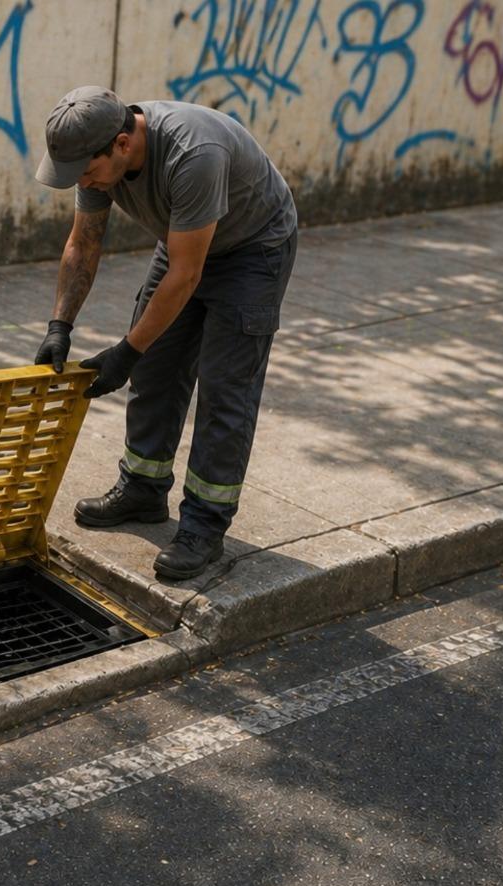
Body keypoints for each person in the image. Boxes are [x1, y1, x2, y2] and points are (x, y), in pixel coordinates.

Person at [32, 86, 297, 581]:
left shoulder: (193, 154)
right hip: (183, 243)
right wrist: (59, 326)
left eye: (86, 172)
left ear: (122, 144)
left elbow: (187, 275)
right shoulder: (96, 156)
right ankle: (143, 488)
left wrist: (126, 351)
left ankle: (204, 525)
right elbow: (84, 241)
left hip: (252, 249)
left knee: (224, 389)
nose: (84, 183)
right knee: (155, 368)